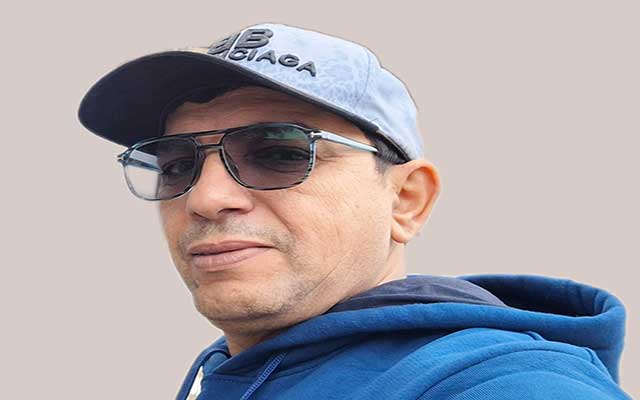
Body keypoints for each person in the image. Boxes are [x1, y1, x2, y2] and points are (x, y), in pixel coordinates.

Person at [77, 22, 632, 399]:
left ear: (406, 200)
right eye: (177, 165)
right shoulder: (233, 372)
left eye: (280, 153)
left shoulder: (501, 381)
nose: (203, 198)